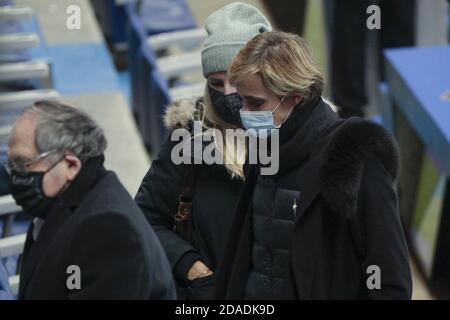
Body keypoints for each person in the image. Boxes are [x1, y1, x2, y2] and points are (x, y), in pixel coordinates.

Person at [216, 31, 412, 299]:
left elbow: (390, 280)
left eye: (256, 103)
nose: (245, 113)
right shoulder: (262, 151)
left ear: (294, 97)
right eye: (243, 101)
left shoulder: (354, 156)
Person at [134, 2, 272, 299]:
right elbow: (145, 217)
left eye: (237, 80)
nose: (228, 94)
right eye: (216, 83)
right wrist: (192, 268)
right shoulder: (189, 138)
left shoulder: (304, 139)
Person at [6, 100, 176, 299]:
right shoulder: (56, 202)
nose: (14, 175)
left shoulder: (109, 230)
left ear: (70, 165)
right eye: (11, 164)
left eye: (23, 163)